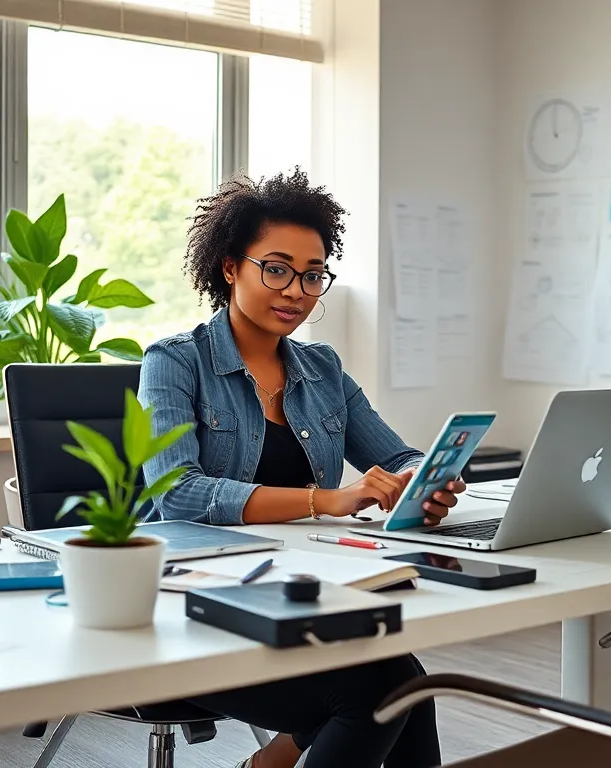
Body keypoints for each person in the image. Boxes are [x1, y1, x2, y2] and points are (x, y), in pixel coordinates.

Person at [137, 168, 466, 768]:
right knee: (384, 692)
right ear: (231, 266)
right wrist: (326, 499)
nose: (297, 290)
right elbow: (178, 496)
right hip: (189, 610)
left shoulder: (322, 368)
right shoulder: (174, 363)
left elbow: (395, 456)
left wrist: (423, 482)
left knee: (408, 688)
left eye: (313, 275)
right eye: (278, 268)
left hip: (297, 592)